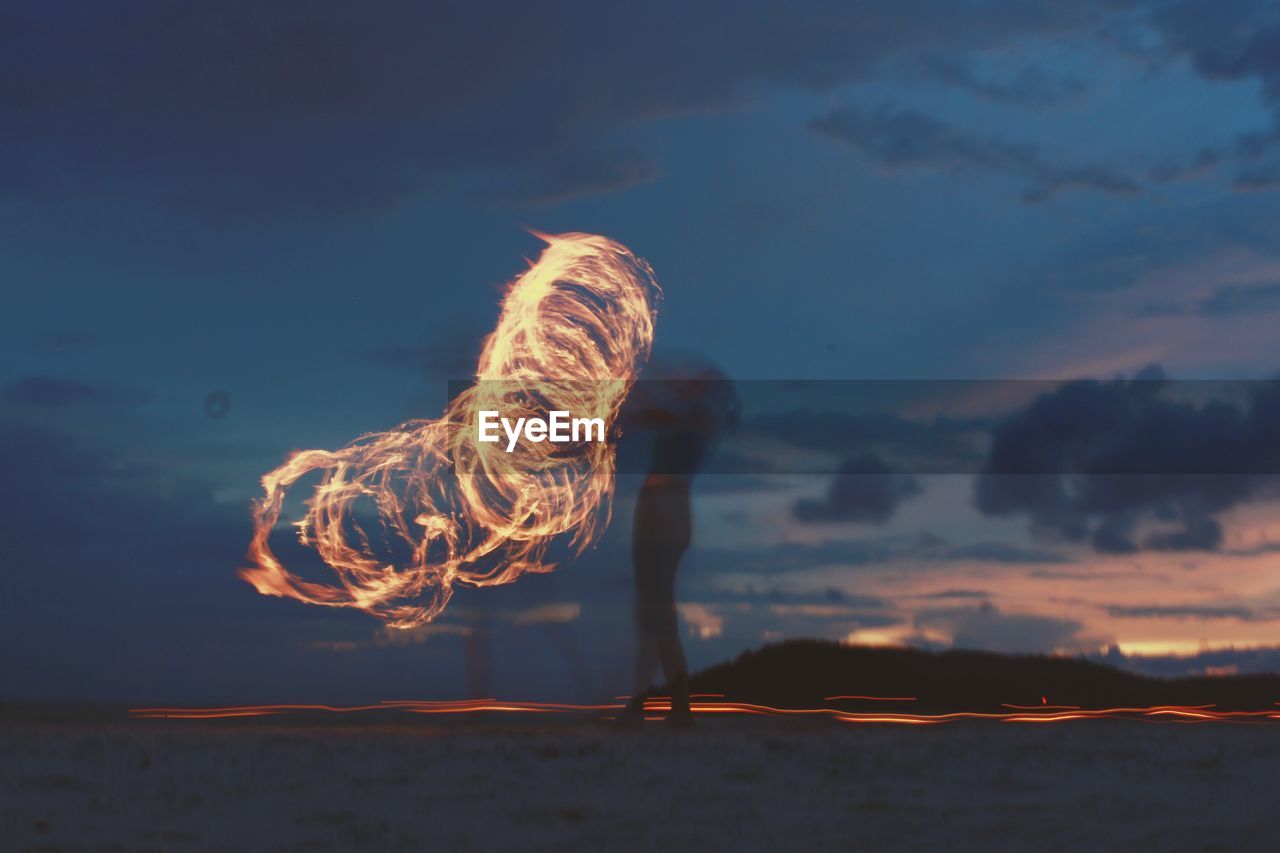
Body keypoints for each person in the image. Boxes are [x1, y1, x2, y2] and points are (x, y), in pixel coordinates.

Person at [616, 363, 737, 728]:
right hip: (659, 510)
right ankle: (642, 702)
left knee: (658, 614)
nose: (685, 382)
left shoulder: (698, 421)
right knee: (649, 615)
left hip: (664, 512)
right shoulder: (688, 418)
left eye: (696, 381)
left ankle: (679, 706)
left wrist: (642, 407)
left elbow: (655, 417)